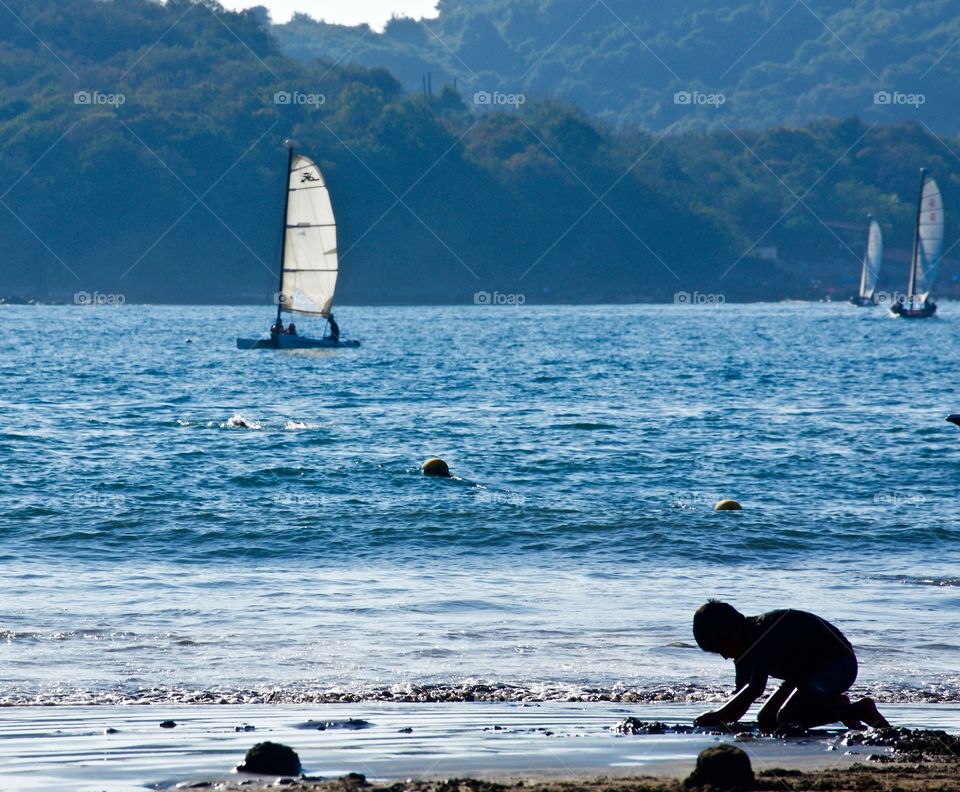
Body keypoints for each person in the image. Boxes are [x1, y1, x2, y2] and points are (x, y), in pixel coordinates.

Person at [692, 601, 889, 731]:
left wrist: (717, 716)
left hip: (839, 664)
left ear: (732, 633)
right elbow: (740, 701)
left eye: (721, 648)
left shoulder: (759, 637)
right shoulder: (743, 645)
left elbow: (755, 689)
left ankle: (859, 710)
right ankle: (835, 705)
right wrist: (719, 719)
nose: (724, 656)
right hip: (804, 673)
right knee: (767, 720)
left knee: (788, 717)